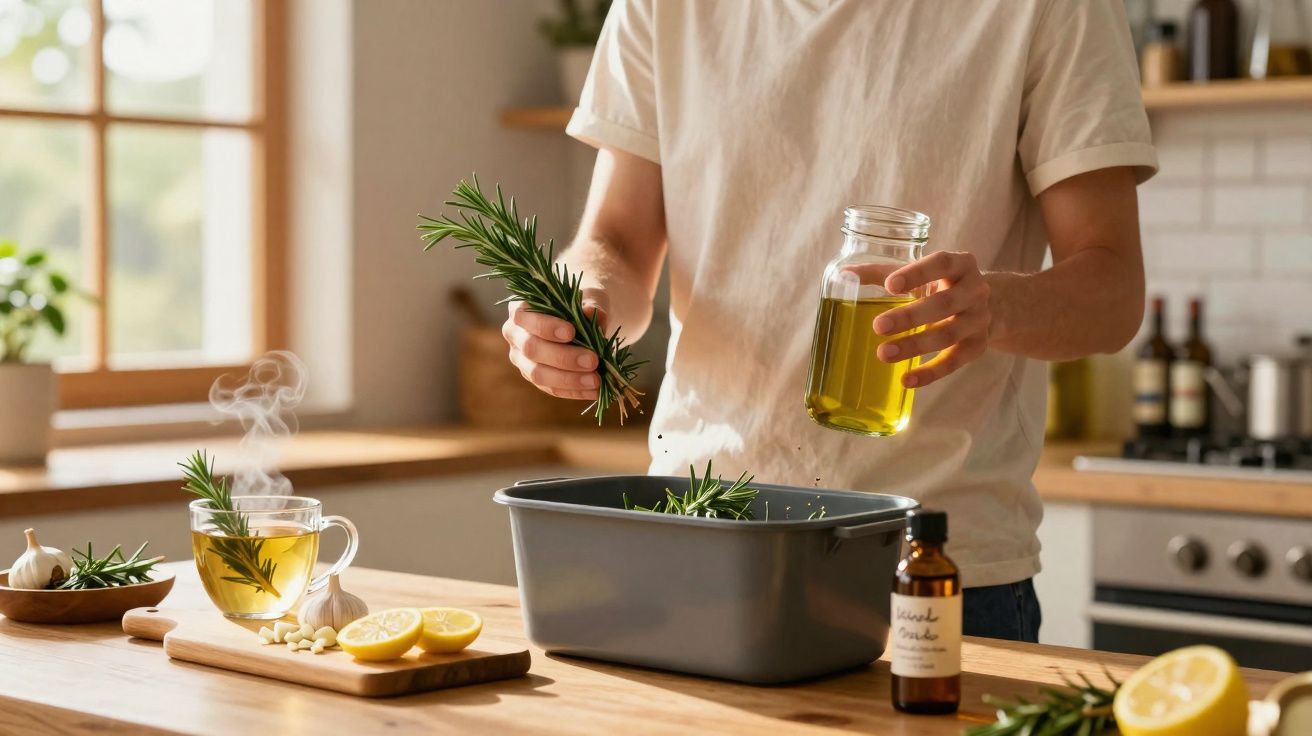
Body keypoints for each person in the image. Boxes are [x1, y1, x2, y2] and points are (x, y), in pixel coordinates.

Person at [500, 1, 1157, 642]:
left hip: (928, 561)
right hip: (698, 532)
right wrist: (578, 301)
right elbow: (615, 239)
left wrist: (995, 306)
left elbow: (1112, 289)